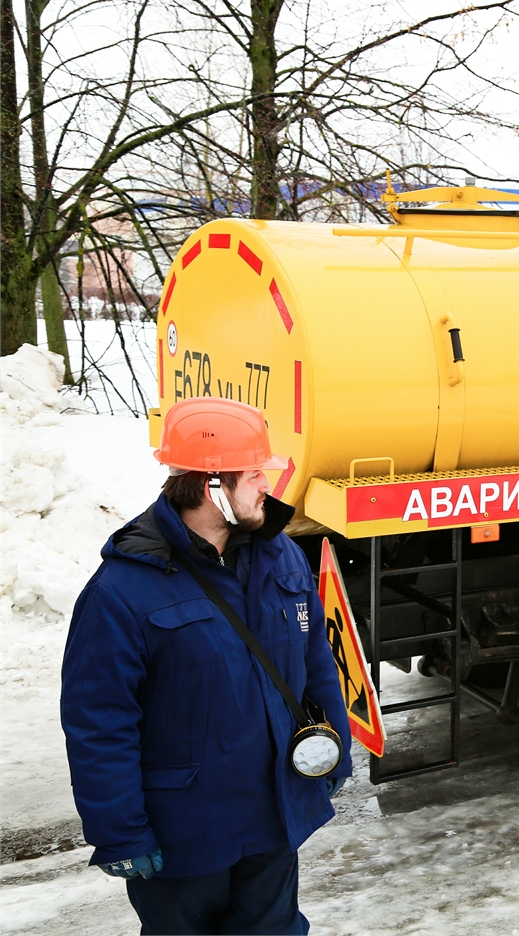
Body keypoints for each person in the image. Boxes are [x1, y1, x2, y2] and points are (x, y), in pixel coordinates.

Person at [60, 397, 351, 935]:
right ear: (211, 487)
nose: (269, 484)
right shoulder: (121, 592)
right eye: (255, 473)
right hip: (185, 833)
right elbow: (99, 722)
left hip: (273, 812)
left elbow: (315, 662)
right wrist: (121, 830)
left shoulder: (279, 554)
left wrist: (333, 751)